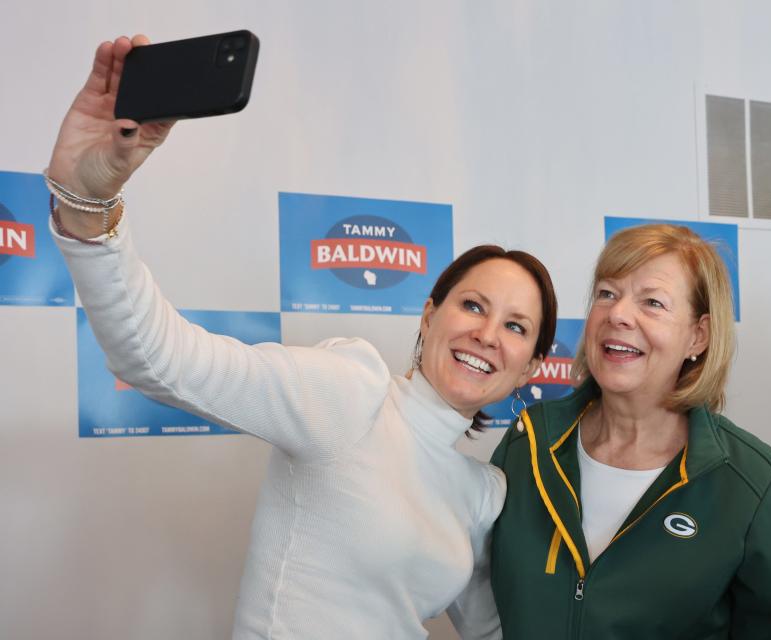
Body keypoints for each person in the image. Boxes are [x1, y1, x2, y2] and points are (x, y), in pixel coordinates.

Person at [46, 36, 558, 639]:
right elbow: (159, 359)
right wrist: (89, 202)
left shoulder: (482, 493)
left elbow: (491, 632)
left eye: (516, 327)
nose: (487, 334)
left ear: (529, 368)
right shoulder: (351, 393)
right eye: (473, 305)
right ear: (429, 315)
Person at [489, 224, 771, 638]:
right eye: (606, 293)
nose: (618, 314)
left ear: (698, 335)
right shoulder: (527, 442)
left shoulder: (752, 483)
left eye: (652, 302)